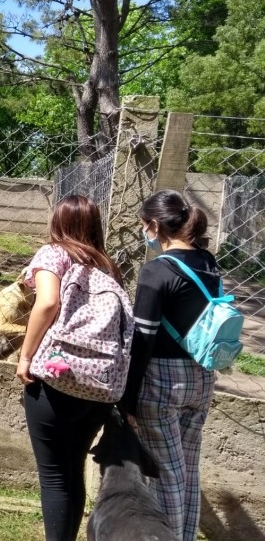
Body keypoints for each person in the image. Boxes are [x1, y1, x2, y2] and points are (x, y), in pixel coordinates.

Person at [15, 194, 123, 541]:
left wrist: (26, 356)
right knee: (72, 471)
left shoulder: (54, 253)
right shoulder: (107, 266)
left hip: (56, 382)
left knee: (54, 477)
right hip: (100, 388)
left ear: (57, 222)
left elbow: (48, 303)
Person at [120, 189, 218, 541]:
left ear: (155, 225)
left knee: (165, 476)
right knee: (187, 471)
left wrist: (126, 399)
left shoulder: (156, 271)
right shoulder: (209, 263)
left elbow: (142, 340)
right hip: (201, 377)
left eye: (143, 226)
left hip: (162, 380)